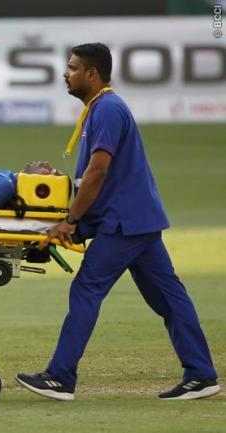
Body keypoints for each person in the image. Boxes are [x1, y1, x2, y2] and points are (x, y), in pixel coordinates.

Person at [13, 43, 220, 401]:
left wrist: (72, 220)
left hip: (123, 223)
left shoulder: (107, 109)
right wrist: (78, 223)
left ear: (92, 74)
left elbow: (99, 172)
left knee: (86, 289)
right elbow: (95, 177)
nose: (66, 73)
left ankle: (60, 377)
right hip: (135, 220)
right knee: (168, 298)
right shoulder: (101, 108)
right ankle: (201, 375)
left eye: (73, 68)